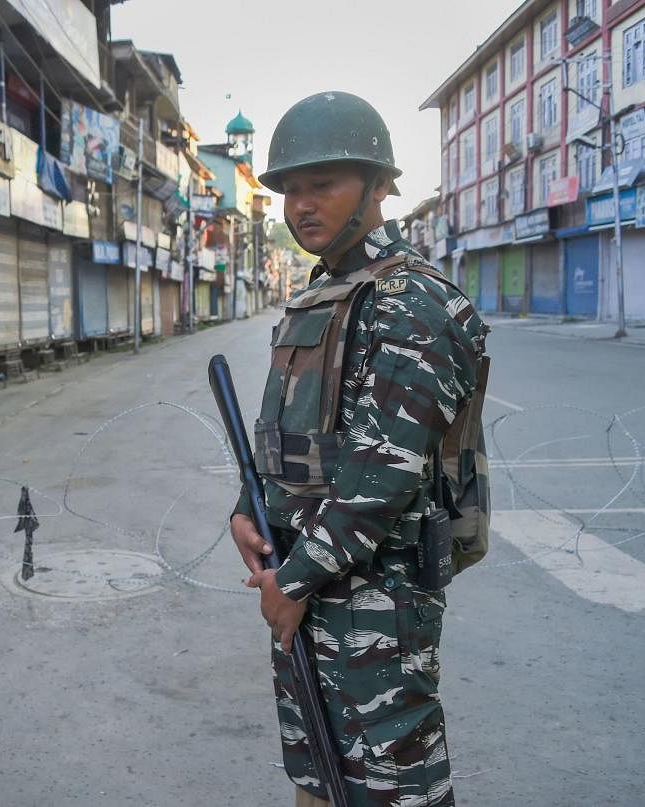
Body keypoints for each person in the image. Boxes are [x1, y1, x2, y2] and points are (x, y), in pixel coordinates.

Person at [229, 92, 490, 807]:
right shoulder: (327, 293)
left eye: (324, 185)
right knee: (318, 778)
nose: (301, 205)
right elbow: (298, 435)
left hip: (377, 603)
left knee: (392, 788)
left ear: (378, 186)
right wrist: (244, 512)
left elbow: (384, 473)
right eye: (290, 189)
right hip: (308, 590)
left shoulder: (413, 300)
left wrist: (296, 577)